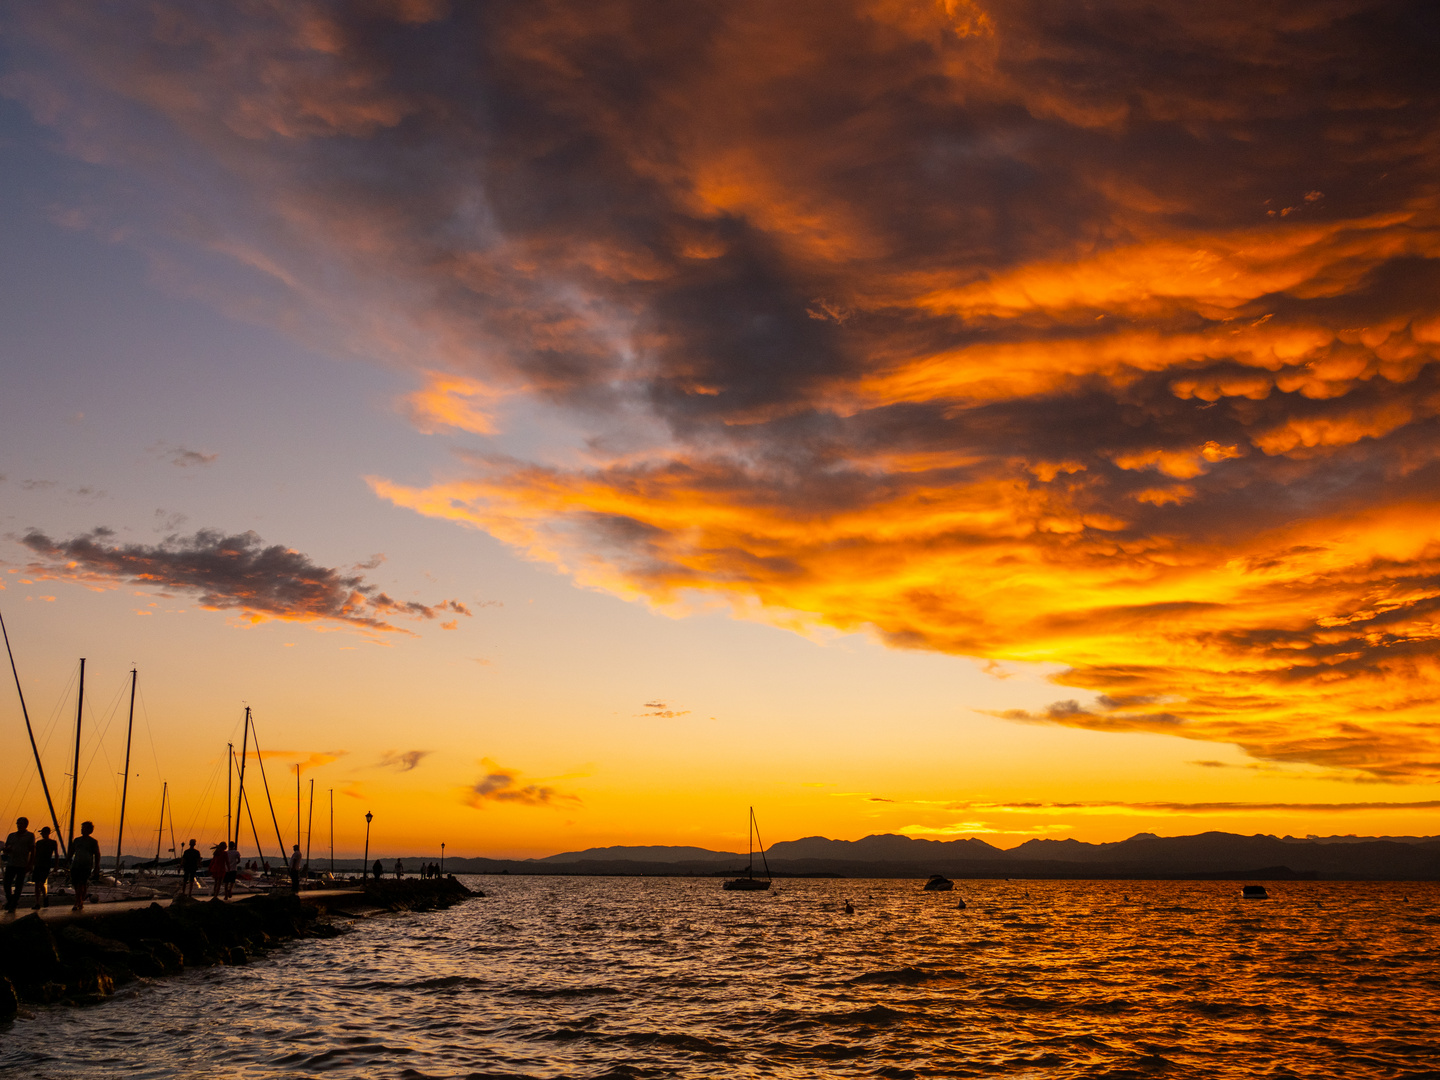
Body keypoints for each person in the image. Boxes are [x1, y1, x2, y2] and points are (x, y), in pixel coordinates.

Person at [3, 817, 35, 913]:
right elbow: (6, 849)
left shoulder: (30, 836)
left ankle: (13, 904)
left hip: (22, 864)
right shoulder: (11, 836)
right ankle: (11, 900)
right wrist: (6, 850)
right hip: (11, 863)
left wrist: (30, 864)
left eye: (21, 823)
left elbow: (33, 850)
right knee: (6, 884)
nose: (19, 825)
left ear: (26, 825)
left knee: (18, 885)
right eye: (18, 823)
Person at [70, 821, 101, 913]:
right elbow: (72, 851)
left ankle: (78, 902)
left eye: (84, 828)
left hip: (86, 865)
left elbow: (97, 854)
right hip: (76, 865)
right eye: (82, 828)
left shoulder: (93, 842)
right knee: (76, 884)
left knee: (81, 883)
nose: (82, 829)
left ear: (89, 830)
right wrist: (67, 861)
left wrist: (96, 867)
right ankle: (80, 900)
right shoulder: (76, 840)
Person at [31, 826, 58, 910]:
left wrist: (56, 866)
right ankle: (37, 902)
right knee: (36, 884)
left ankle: (45, 896)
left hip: (45, 865)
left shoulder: (53, 842)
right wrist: (32, 864)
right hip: (37, 864)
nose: (42, 834)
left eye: (43, 833)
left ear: (47, 833)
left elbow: (56, 854)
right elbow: (35, 854)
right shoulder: (38, 843)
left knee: (41, 883)